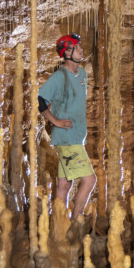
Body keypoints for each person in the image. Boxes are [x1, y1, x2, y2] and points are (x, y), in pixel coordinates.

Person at [38, 33, 96, 220]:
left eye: (80, 47)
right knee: (89, 180)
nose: (81, 50)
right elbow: (40, 100)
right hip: (66, 138)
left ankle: (58, 223)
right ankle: (75, 222)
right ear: (68, 52)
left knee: (64, 184)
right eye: (77, 48)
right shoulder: (59, 77)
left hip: (76, 136)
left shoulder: (82, 74)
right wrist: (54, 121)